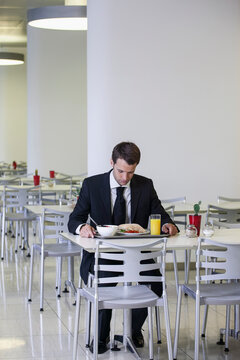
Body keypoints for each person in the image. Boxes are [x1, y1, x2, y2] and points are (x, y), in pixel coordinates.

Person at [68, 141, 178, 354]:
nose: (125, 178)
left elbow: (160, 213)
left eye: (131, 172)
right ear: (111, 162)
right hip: (103, 253)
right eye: (120, 171)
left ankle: (132, 330)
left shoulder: (145, 185)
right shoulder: (92, 184)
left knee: (155, 284)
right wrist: (82, 227)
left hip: (136, 254)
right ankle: (100, 335)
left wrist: (168, 223)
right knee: (104, 284)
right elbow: (75, 219)